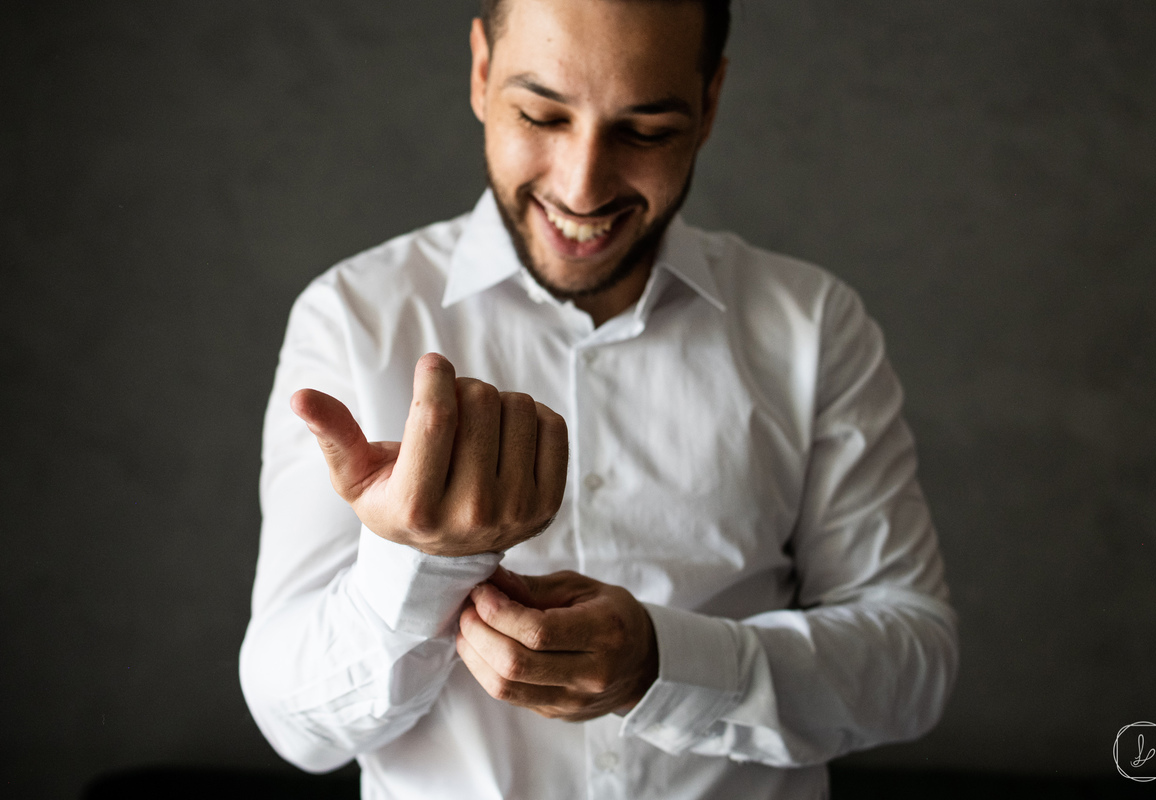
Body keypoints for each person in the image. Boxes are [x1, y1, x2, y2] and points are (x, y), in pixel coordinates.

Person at [239, 0, 958, 797]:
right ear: (482, 73)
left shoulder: (815, 326)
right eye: (541, 114)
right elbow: (293, 729)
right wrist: (421, 560)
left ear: (711, 102)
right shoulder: (353, 318)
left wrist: (665, 666)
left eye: (646, 131)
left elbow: (914, 666)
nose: (583, 187)